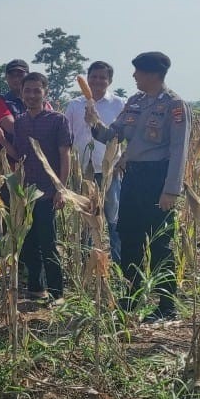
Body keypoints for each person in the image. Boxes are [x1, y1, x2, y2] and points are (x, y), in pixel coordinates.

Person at [87, 52, 190, 321]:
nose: (133, 76)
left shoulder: (174, 105)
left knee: (160, 242)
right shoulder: (135, 102)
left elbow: (179, 149)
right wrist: (94, 123)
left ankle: (166, 305)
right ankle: (131, 296)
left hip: (158, 177)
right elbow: (114, 134)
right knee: (129, 236)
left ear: (152, 74)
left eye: (137, 71)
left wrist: (171, 190)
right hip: (132, 176)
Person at [0, 72, 72, 301]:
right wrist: (2, 140)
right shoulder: (20, 122)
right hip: (26, 192)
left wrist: (61, 189)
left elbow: (65, 156)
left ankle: (57, 293)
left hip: (48, 192)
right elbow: (18, 155)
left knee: (48, 242)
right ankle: (36, 288)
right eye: (27, 91)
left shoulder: (58, 120)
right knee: (28, 242)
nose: (31, 95)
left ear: (45, 92)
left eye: (36, 90)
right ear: (21, 93)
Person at [65, 61, 126, 263]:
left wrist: (121, 162)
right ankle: (86, 261)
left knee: (114, 219)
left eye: (102, 78)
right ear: (87, 78)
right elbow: (67, 137)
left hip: (109, 172)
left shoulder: (119, 104)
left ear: (110, 81)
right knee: (86, 220)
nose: (97, 81)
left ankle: (118, 262)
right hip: (82, 173)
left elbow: (123, 137)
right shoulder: (74, 105)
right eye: (93, 77)